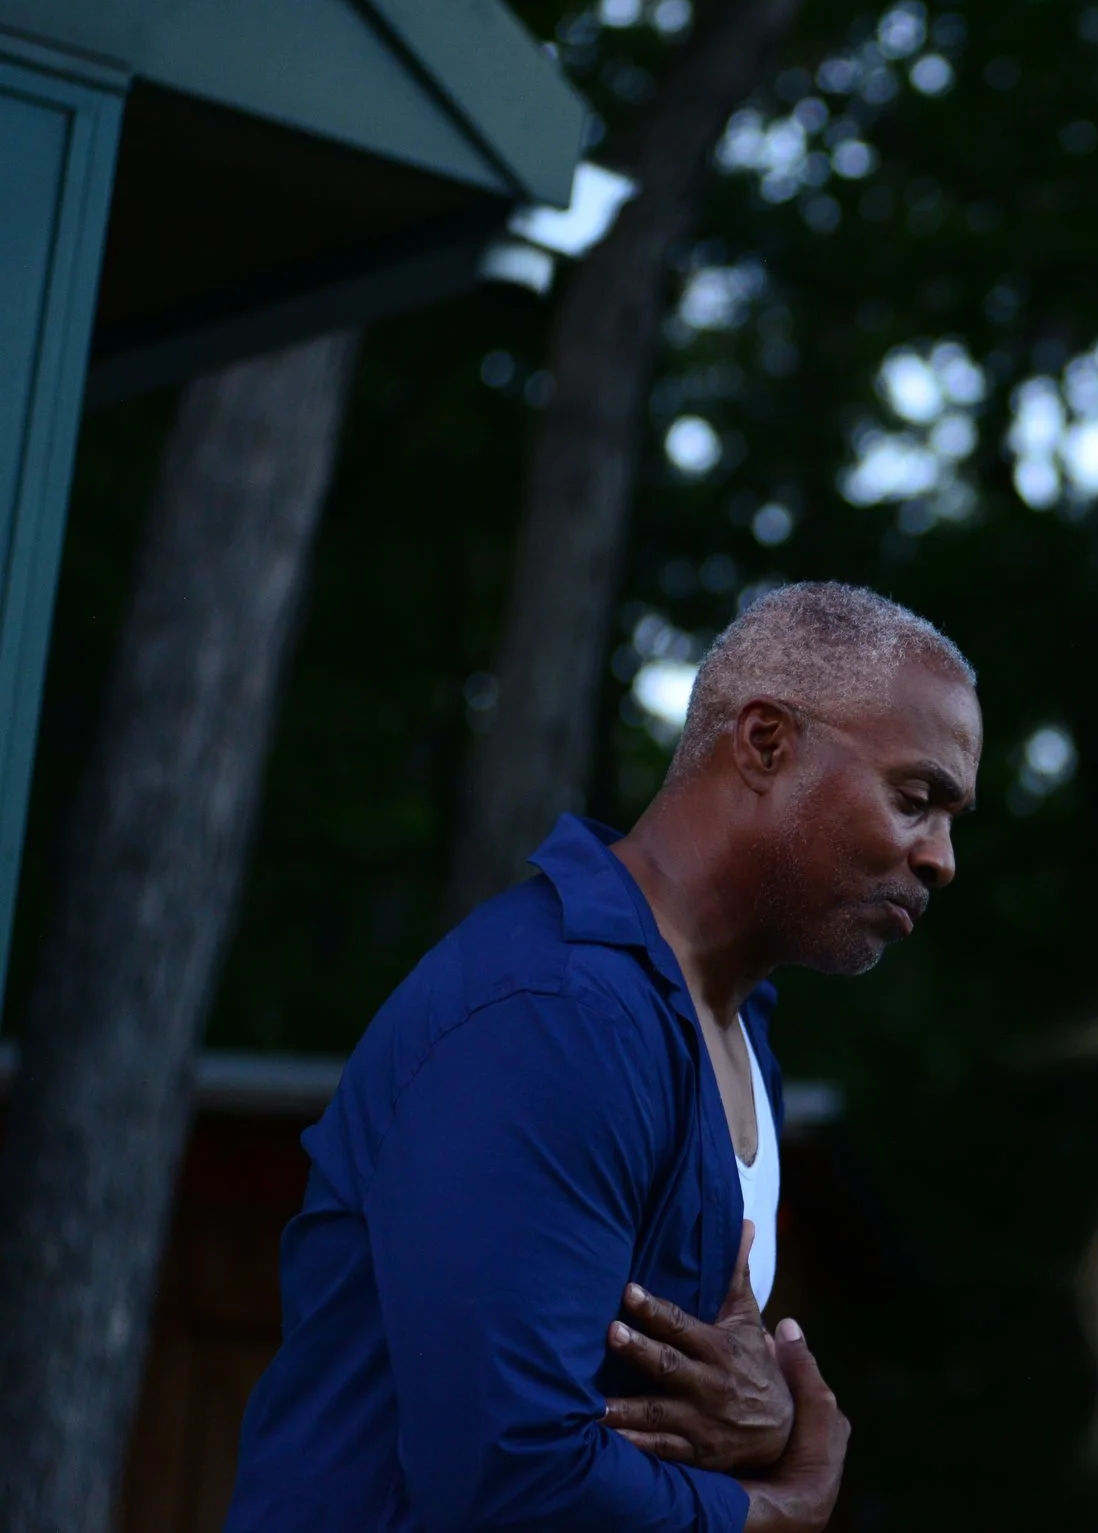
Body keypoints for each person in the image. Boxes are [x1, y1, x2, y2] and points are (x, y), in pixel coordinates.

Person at [227, 582, 982, 1533]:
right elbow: (510, 1473)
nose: (941, 858)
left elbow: (670, 1403)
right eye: (917, 800)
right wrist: (771, 1507)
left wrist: (774, 1415)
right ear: (764, 743)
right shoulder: (557, 1014)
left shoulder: (741, 1037)